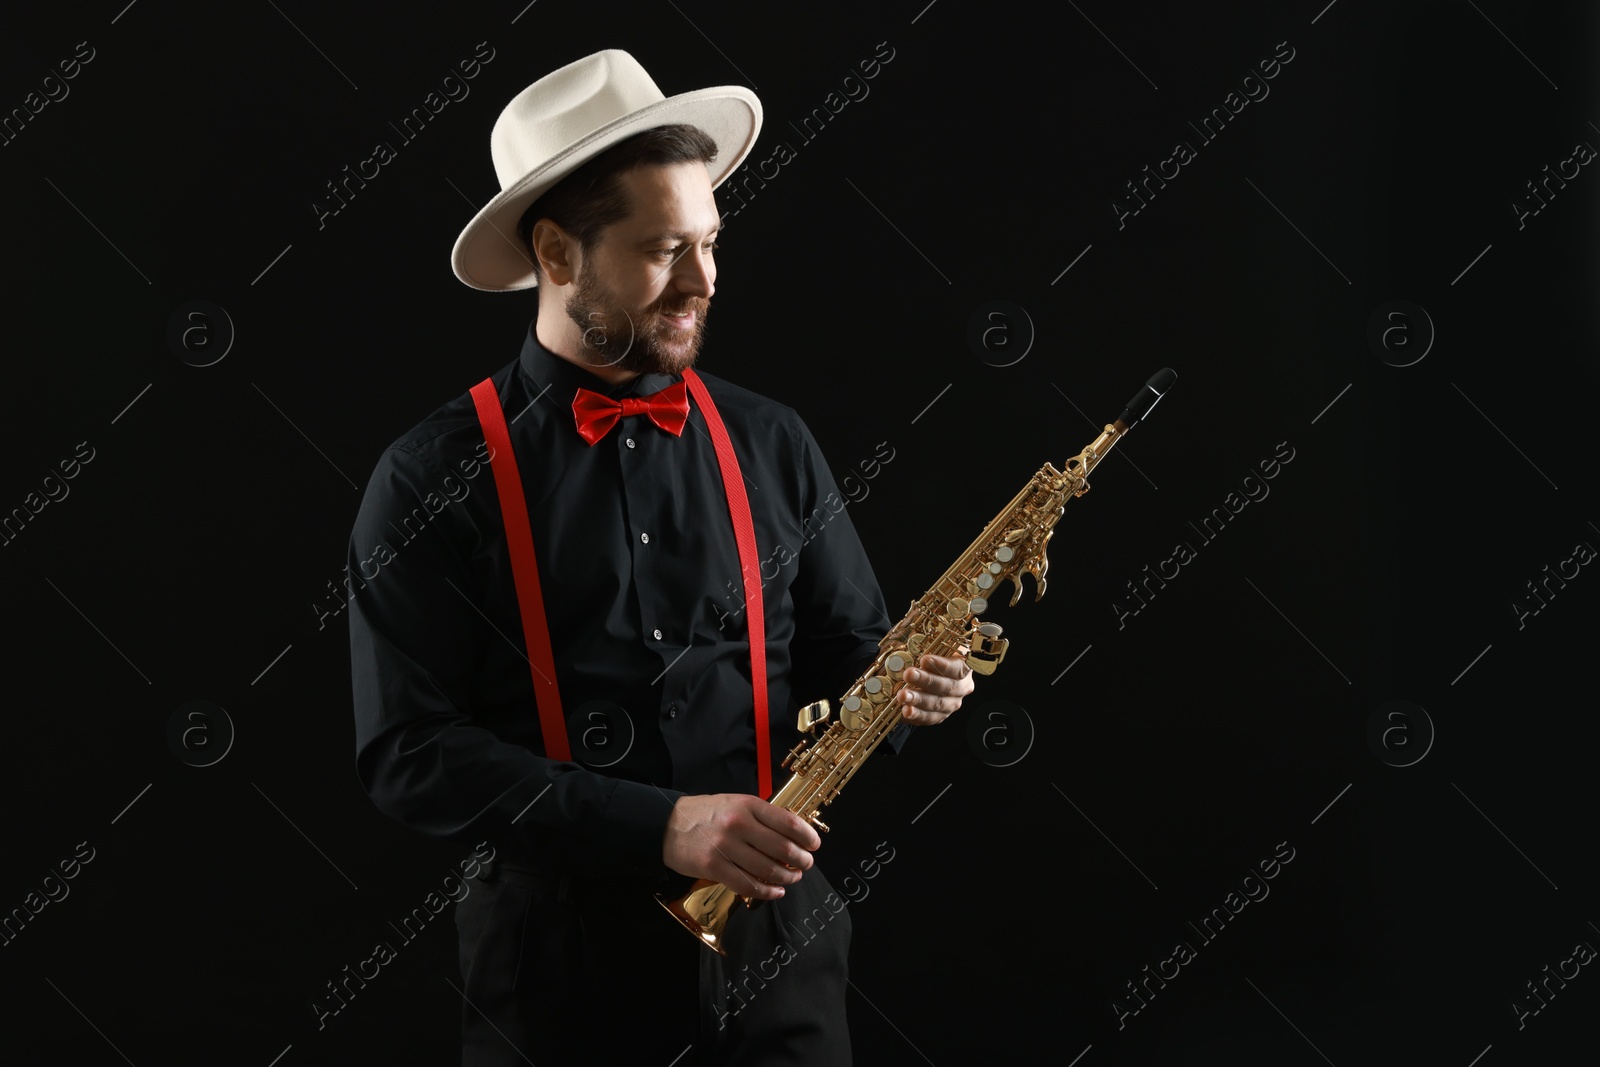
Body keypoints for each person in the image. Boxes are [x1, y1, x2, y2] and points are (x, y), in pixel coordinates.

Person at [347, 49, 975, 1066]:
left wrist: (903, 683)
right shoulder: (429, 479)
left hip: (783, 951)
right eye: (664, 249)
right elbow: (409, 752)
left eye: (712, 242)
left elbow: (843, 651)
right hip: (558, 969)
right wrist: (663, 824)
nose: (703, 281)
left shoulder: (773, 441)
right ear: (557, 252)